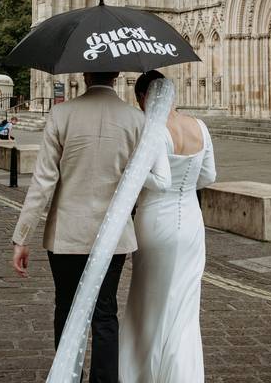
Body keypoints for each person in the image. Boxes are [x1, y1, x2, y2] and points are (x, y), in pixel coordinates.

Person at [11, 71, 169, 383]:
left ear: (84, 75)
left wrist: (22, 236)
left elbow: (43, 181)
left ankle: (68, 376)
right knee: (105, 314)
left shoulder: (62, 114)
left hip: (67, 234)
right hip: (113, 236)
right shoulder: (136, 120)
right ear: (118, 76)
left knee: (66, 308)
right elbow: (144, 179)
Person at [120, 70, 216, 383]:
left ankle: (143, 374)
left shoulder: (154, 129)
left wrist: (131, 171)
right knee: (185, 306)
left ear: (144, 97)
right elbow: (209, 176)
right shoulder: (199, 126)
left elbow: (159, 181)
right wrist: (184, 187)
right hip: (191, 222)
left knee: (149, 301)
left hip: (156, 221)